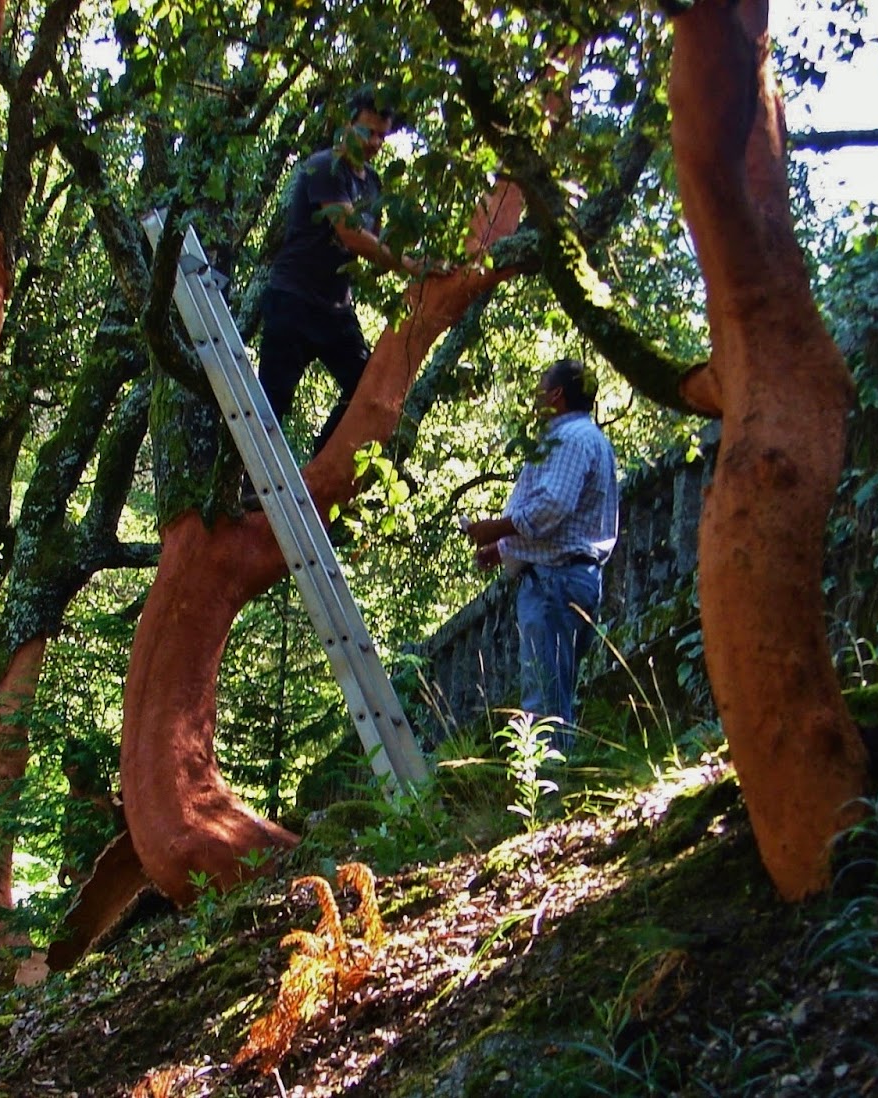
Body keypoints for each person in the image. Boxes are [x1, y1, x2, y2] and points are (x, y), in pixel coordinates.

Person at [257, 92, 425, 460]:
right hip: (293, 300)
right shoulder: (325, 167)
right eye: (368, 131)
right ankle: (251, 483)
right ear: (346, 125)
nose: (375, 142)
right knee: (271, 404)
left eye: (382, 135)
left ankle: (319, 467)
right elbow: (351, 234)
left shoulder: (374, 184)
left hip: (335, 310)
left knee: (366, 387)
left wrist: (418, 254)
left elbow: (377, 246)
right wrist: (409, 263)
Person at [463, 358, 620, 754]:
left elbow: (553, 506)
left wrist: (496, 528)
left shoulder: (569, 439)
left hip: (555, 583)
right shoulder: (590, 439)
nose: (535, 396)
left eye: (540, 387)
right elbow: (567, 522)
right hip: (572, 578)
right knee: (556, 692)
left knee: (544, 701)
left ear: (556, 395)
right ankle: (560, 776)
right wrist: (502, 549)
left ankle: (548, 784)